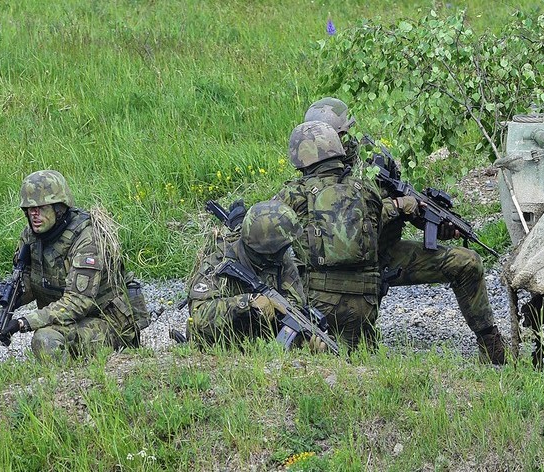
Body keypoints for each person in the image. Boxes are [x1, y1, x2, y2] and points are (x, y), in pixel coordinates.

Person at [304, 97, 507, 364]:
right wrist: (395, 207)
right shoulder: (313, 171)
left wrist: (430, 222)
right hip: (336, 268)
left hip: (385, 254)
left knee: (466, 263)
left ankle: (492, 347)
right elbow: (343, 224)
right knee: (356, 357)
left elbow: (406, 199)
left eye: (344, 134)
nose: (344, 140)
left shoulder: (373, 160)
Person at [0, 170, 149, 359]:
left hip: (106, 323)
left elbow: (78, 302)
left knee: (45, 340)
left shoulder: (87, 238)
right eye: (29, 208)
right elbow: (31, 280)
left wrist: (23, 322)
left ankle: (69, 384)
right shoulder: (30, 237)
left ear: (59, 208)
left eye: (41, 207)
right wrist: (13, 298)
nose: (34, 214)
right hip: (66, 320)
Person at [275, 120, 383, 349]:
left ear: (300, 157)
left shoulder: (293, 194)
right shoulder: (368, 191)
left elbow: (264, 239)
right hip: (366, 301)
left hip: (318, 302)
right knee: (356, 355)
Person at [185, 200, 307, 348]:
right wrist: (247, 302)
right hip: (218, 350)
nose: (285, 252)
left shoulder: (283, 264)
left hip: (261, 351)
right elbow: (199, 316)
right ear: (268, 249)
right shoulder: (219, 262)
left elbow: (295, 306)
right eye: (281, 248)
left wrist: (304, 341)